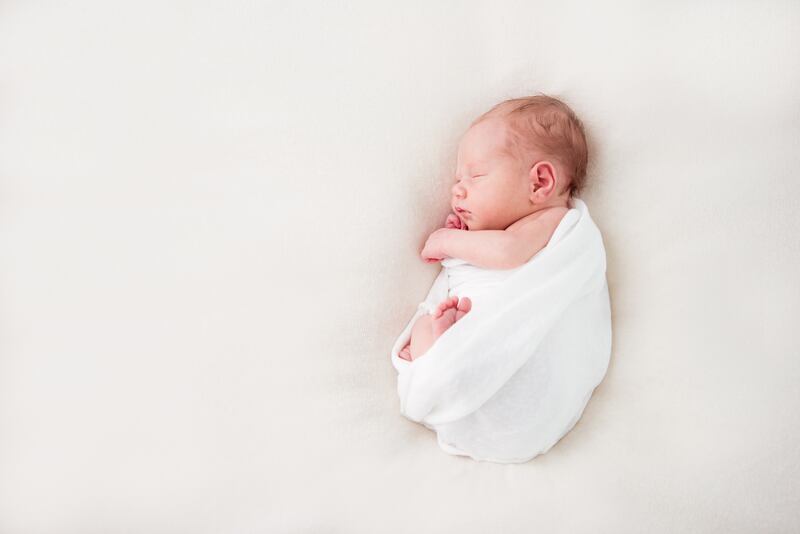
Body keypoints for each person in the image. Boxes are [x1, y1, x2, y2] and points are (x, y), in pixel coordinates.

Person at [399, 94, 589, 361]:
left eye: (476, 176)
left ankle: (443, 350)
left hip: (512, 337)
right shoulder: (509, 228)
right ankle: (440, 351)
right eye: (458, 180)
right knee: (423, 324)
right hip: (476, 328)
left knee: (427, 328)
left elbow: (507, 251)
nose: (457, 190)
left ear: (539, 183)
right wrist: (467, 238)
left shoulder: (555, 219)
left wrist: (448, 240)